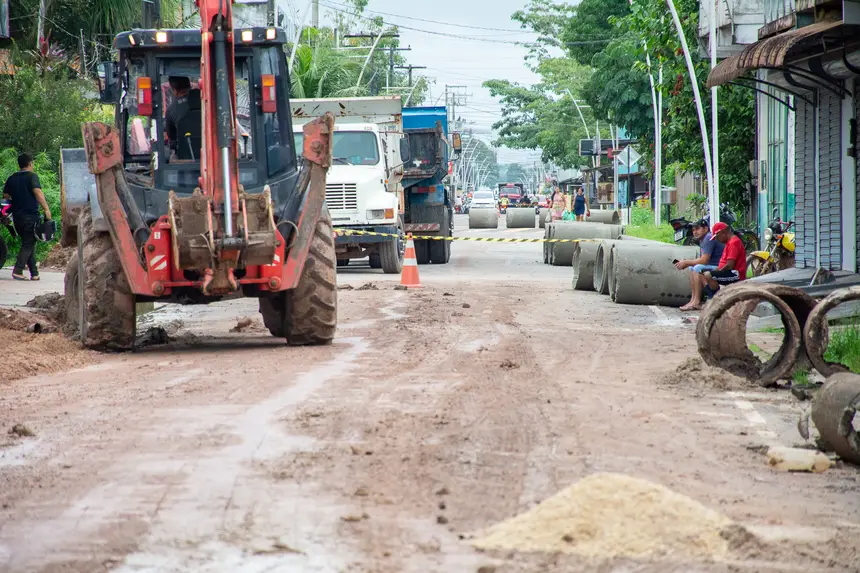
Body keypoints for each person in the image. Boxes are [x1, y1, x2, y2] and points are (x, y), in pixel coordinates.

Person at [3, 153, 52, 281]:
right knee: (28, 243)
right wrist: (46, 209)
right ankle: (18, 270)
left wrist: (5, 215)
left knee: (29, 242)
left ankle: (34, 273)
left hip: (17, 217)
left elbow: (6, 198)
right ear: (30, 164)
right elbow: (38, 192)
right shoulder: (32, 176)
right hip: (30, 215)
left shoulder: (11, 178)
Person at [684, 222, 747, 310]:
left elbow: (729, 265)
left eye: (717, 237)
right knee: (701, 274)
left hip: (736, 274)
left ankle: (714, 300)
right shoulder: (729, 242)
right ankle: (711, 299)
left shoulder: (734, 243)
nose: (717, 239)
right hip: (727, 270)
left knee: (708, 275)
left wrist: (717, 271)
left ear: (723, 233)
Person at [677, 219, 726, 311]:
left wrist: (686, 262)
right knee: (692, 267)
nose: (695, 232)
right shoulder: (702, 239)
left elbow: (704, 260)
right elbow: (703, 259)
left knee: (697, 268)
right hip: (712, 265)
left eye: (697, 229)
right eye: (693, 230)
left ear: (705, 228)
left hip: (721, 266)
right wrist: (687, 263)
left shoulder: (708, 237)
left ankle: (696, 301)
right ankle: (693, 300)